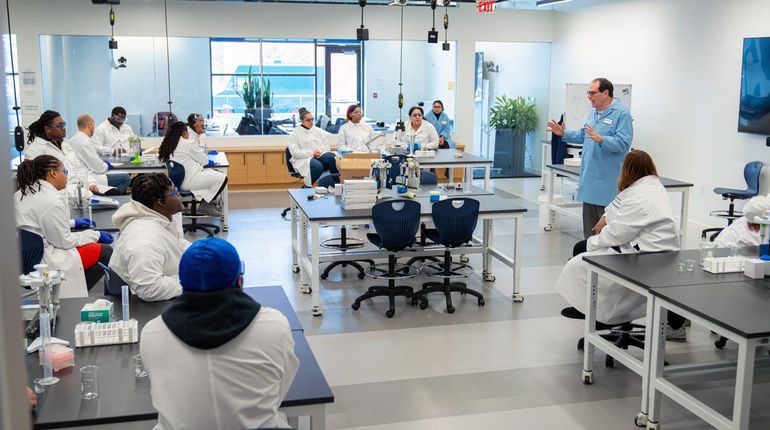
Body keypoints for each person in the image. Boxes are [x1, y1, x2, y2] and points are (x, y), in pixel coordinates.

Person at [140, 238, 299, 430]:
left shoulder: (153, 333)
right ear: (239, 280)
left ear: (181, 283)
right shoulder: (274, 325)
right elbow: (279, 389)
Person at [554, 150, 680, 331]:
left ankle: (598, 312)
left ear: (627, 169)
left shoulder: (640, 196)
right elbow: (618, 203)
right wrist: (605, 217)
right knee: (581, 250)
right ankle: (591, 307)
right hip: (653, 249)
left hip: (646, 254)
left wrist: (593, 243)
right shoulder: (649, 186)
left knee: (578, 260)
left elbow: (617, 234)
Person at [15, 155, 114, 298]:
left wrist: (73, 223)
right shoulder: (52, 200)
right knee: (106, 252)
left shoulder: (23, 192)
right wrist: (95, 235)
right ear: (53, 173)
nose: (67, 177)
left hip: (24, 256)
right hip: (44, 259)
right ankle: (67, 296)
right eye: (65, 172)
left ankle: (62, 293)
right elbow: (65, 242)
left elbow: (38, 223)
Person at [548, 78, 633, 239]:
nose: (589, 97)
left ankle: (605, 261)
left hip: (607, 182)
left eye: (592, 93)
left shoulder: (621, 114)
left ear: (605, 93)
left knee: (606, 231)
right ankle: (589, 259)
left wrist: (602, 139)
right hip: (589, 180)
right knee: (589, 231)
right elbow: (583, 135)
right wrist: (564, 134)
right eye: (589, 93)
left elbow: (623, 144)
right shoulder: (594, 113)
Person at [109, 173, 189, 302]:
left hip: (165, 285)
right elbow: (150, 289)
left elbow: (176, 243)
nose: (179, 195)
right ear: (161, 202)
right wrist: (192, 280)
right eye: (174, 192)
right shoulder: (144, 238)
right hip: (150, 306)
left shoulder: (156, 218)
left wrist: (201, 254)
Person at [158, 121, 227, 205]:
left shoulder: (169, 145)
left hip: (177, 182)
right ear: (184, 132)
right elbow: (205, 161)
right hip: (190, 180)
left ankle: (207, 201)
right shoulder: (188, 143)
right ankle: (206, 204)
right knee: (222, 178)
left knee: (211, 174)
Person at [64, 114, 130, 195]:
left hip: (87, 174)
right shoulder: (84, 142)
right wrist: (107, 165)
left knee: (122, 175)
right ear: (90, 126)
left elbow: (96, 148)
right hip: (89, 176)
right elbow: (98, 168)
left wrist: (113, 151)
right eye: (93, 126)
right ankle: (110, 197)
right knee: (125, 178)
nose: (94, 129)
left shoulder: (76, 138)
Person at [287, 109, 339, 186]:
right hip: (304, 159)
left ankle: (337, 184)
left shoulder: (318, 131)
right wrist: (312, 153)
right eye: (308, 120)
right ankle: (306, 186)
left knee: (332, 157)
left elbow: (326, 146)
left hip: (319, 155)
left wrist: (319, 151)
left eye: (312, 119)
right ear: (302, 121)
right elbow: (295, 153)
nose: (311, 121)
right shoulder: (295, 133)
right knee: (318, 166)